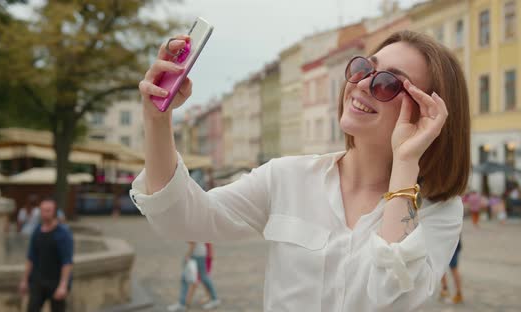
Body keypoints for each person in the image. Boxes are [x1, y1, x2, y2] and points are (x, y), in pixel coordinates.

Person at [131, 30, 470, 311]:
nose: (363, 84)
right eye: (365, 68)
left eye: (388, 83)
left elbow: (389, 293)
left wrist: (406, 160)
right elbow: (180, 218)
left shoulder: (438, 209)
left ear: (429, 115)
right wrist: (157, 119)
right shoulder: (287, 177)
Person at [19, 198, 74, 312]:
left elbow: (67, 262)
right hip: (38, 280)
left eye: (48, 210)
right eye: (42, 210)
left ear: (54, 212)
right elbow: (31, 257)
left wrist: (63, 285)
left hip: (55, 281)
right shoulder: (37, 231)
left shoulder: (63, 233)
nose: (44, 214)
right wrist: (25, 280)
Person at [168, 242, 220, 311]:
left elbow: (193, 243)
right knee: (203, 278)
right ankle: (214, 299)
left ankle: (182, 304)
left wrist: (187, 256)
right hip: (200, 253)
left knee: (188, 279)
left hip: (196, 254)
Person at [439, 237, 463, 304]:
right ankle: (445, 289)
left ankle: (458, 293)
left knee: (453, 269)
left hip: (452, 244)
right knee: (441, 267)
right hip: (447, 243)